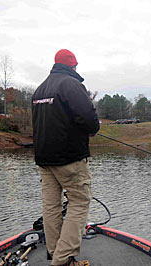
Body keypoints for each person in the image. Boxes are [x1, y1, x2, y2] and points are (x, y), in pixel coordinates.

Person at [32, 49, 100, 266]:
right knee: (80, 201)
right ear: (73, 66)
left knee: (51, 206)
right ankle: (61, 261)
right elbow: (90, 120)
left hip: (44, 159)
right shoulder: (71, 84)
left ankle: (55, 253)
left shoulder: (40, 89)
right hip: (69, 158)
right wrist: (90, 129)